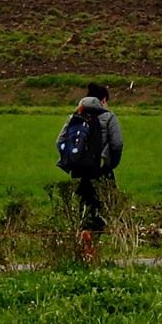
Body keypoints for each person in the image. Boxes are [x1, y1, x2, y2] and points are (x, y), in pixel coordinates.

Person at [55, 83, 123, 242]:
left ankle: (84, 237)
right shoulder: (109, 117)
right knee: (104, 208)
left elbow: (59, 141)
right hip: (100, 171)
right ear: (104, 100)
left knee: (83, 207)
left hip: (79, 172)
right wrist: (110, 163)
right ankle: (93, 241)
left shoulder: (75, 116)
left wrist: (72, 160)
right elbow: (117, 144)